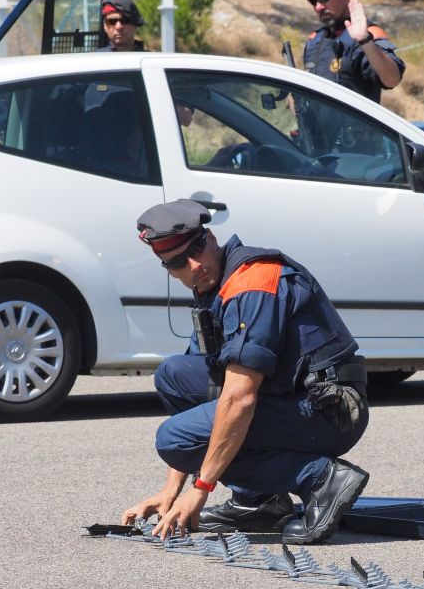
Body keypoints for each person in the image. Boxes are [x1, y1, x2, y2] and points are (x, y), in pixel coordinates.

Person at [122, 200, 370, 545]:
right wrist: (171, 491)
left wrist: (201, 488)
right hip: (290, 402)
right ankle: (258, 499)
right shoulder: (216, 288)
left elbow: (239, 398)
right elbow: (203, 393)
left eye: (196, 249)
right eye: (178, 262)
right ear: (168, 269)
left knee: (174, 440)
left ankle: (321, 478)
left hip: (329, 411)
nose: (193, 265)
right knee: (173, 374)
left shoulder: (253, 281)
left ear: (210, 237)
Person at [303, 0, 405, 104]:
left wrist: (365, 41)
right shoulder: (314, 40)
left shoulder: (369, 35)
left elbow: (392, 79)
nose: (318, 7)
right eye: (313, 1)